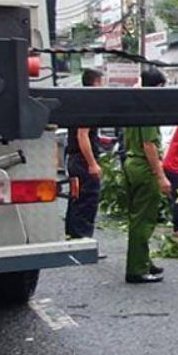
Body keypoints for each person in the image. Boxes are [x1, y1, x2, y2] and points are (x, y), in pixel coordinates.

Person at [123, 67, 170, 284]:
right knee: (144, 220)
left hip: (132, 163)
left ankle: (143, 261)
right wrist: (161, 176)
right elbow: (149, 145)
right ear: (159, 87)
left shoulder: (134, 105)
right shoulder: (149, 108)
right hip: (144, 167)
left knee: (136, 217)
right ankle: (137, 269)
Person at [64, 68, 104, 240]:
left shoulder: (79, 102)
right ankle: (82, 238)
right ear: (96, 83)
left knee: (76, 197)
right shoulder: (89, 104)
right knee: (87, 198)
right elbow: (83, 135)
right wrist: (92, 163)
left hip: (75, 158)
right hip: (82, 160)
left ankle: (73, 234)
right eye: (102, 82)